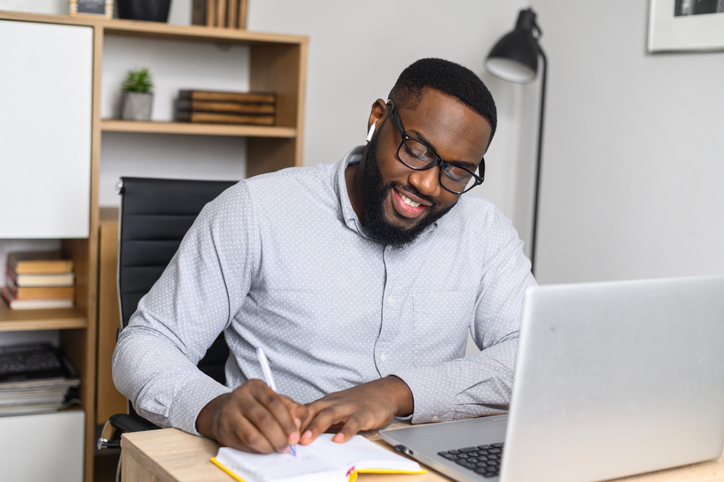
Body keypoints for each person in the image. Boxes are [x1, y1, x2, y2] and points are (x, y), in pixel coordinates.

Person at [112, 58, 535, 455]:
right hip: (291, 460)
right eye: (417, 150)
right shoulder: (255, 209)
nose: (427, 183)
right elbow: (146, 343)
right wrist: (211, 407)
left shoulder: (483, 230)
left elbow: (532, 355)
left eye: (457, 171)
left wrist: (397, 391)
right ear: (377, 119)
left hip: (421, 465)